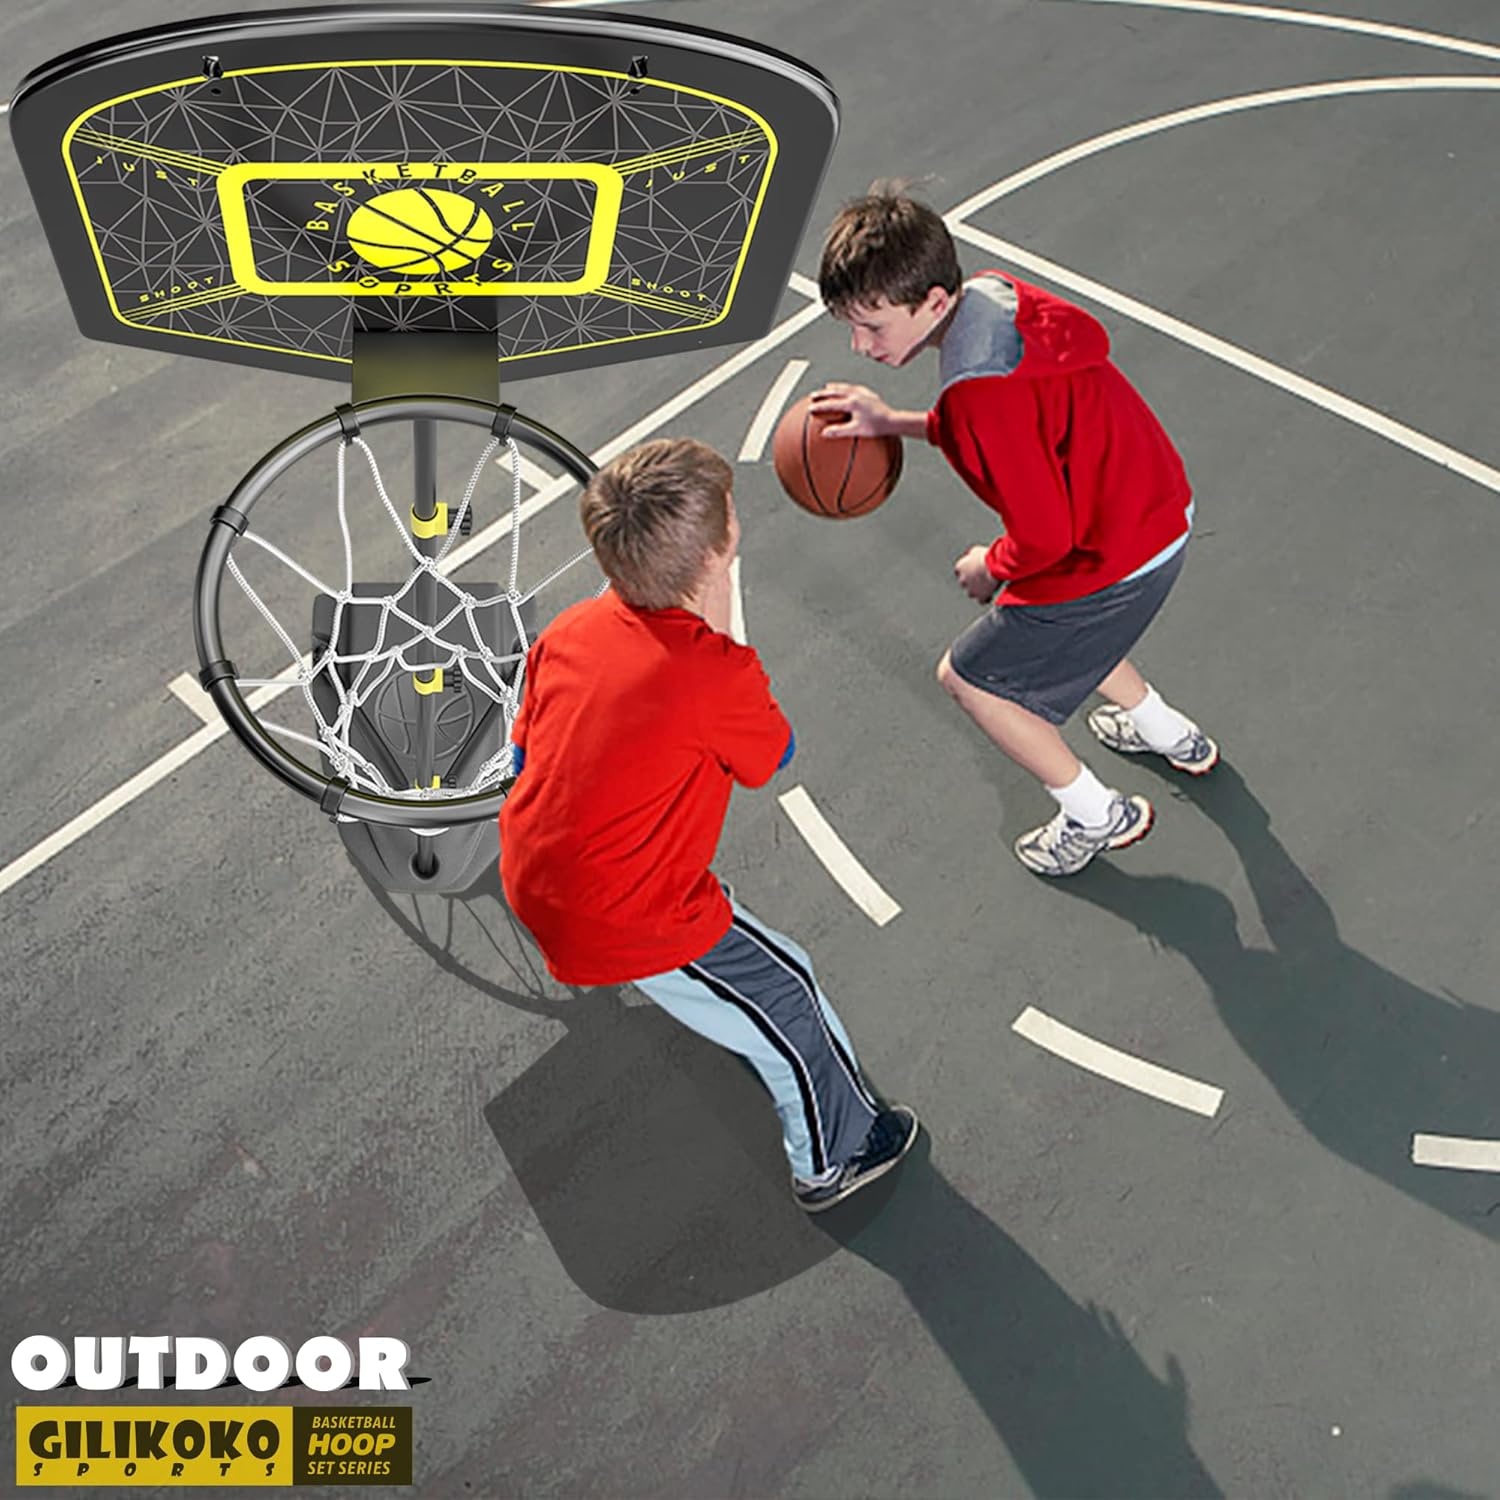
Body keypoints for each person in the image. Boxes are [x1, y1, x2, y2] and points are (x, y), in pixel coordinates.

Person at [498, 437, 918, 1211]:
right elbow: (771, 756)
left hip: (533, 865)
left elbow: (524, 755)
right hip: (618, 910)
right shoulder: (713, 672)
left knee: (746, 975)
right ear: (718, 550)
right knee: (787, 991)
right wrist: (719, 623)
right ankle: (837, 1154)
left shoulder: (571, 631)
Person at [811, 187, 1219, 877]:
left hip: (1107, 555)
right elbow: (1006, 423)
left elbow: (1045, 537)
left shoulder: (980, 391)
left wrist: (991, 565)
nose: (860, 345)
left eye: (872, 327)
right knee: (1058, 626)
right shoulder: (997, 302)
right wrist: (895, 422)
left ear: (932, 303)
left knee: (971, 678)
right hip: (1157, 513)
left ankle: (1097, 815)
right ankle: (1169, 733)